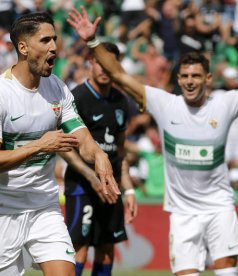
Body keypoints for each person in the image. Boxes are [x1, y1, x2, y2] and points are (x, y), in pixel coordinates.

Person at [68, 8, 238, 276]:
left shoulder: (225, 103)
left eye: (196, 76)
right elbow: (118, 74)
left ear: (208, 79)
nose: (189, 82)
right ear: (178, 79)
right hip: (183, 214)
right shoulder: (165, 104)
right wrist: (92, 41)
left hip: (219, 207)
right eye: (184, 76)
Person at [0, 12, 120, 276]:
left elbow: (81, 137)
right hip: (2, 209)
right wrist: (38, 146)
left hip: (44, 206)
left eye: (55, 39)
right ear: (23, 47)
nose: (54, 47)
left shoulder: (57, 88)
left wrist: (99, 155)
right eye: (45, 40)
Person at [61, 42, 138, 276]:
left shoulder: (121, 102)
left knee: (106, 247)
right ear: (90, 64)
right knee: (79, 247)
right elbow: (63, 147)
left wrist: (130, 190)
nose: (104, 69)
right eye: (100, 63)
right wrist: (91, 176)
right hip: (82, 184)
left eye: (110, 64)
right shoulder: (77, 97)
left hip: (111, 186)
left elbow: (120, 150)